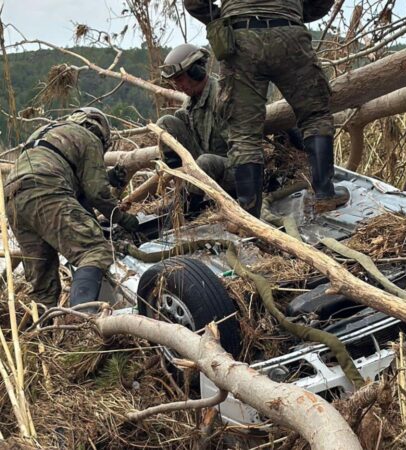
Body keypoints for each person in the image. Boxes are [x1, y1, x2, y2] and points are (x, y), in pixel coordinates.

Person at [186, 0, 349, 217]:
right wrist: (296, 12)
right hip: (289, 32)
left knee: (243, 133)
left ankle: (248, 215)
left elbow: (193, 2)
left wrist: (220, 16)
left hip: (239, 38)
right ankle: (325, 196)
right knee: (315, 115)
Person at [4, 107, 139, 310]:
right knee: (95, 250)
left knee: (43, 286)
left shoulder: (49, 132)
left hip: (13, 199)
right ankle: (84, 319)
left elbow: (71, 178)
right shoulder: (89, 137)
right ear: (99, 132)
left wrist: (107, 177)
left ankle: (43, 336)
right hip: (45, 190)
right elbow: (97, 194)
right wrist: (122, 218)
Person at [158, 43, 235, 205]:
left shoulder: (222, 96)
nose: (178, 86)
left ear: (196, 72)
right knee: (165, 123)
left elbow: (242, 150)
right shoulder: (189, 104)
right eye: (174, 82)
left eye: (180, 79)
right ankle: (185, 187)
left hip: (233, 170)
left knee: (205, 161)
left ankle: (190, 205)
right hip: (203, 168)